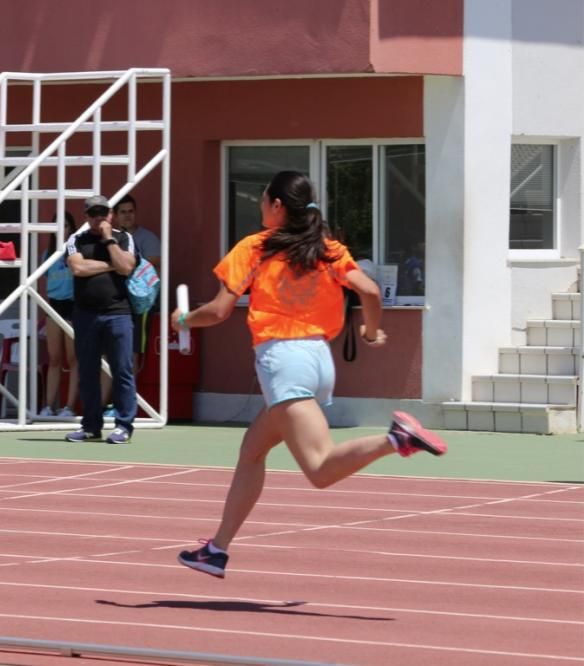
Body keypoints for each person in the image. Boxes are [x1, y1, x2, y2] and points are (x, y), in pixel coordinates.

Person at [172, 171, 447, 578]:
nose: (259, 206)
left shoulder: (255, 247)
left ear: (278, 206)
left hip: (283, 362)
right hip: (318, 359)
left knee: (319, 470)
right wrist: (371, 332)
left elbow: (218, 311)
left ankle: (395, 439)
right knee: (252, 451)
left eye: (263, 200)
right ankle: (216, 549)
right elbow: (369, 291)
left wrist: (184, 320)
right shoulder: (326, 248)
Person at [64, 194, 138, 444]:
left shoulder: (123, 237)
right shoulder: (77, 239)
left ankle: (124, 425)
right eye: (93, 213)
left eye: (103, 213)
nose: (99, 218)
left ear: (110, 215)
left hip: (118, 313)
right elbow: (78, 268)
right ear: (86, 216)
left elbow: (127, 267)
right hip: (86, 315)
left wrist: (108, 240)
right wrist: (110, 264)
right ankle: (90, 426)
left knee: (122, 370)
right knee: (87, 371)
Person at [101, 194, 161, 413]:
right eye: (123, 212)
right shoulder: (111, 237)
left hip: (137, 303)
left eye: (131, 211)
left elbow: (151, 262)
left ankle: (122, 404)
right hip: (113, 301)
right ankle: (104, 403)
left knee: (131, 352)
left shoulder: (147, 238)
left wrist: (120, 263)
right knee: (110, 353)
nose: (127, 216)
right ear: (115, 216)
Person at [40, 212, 79, 418]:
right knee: (54, 358)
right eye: (57, 225)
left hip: (72, 306)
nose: (61, 229)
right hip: (54, 306)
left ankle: (69, 406)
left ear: (71, 228)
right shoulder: (47, 254)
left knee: (73, 359)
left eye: (65, 225)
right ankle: (48, 405)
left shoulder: (75, 251)